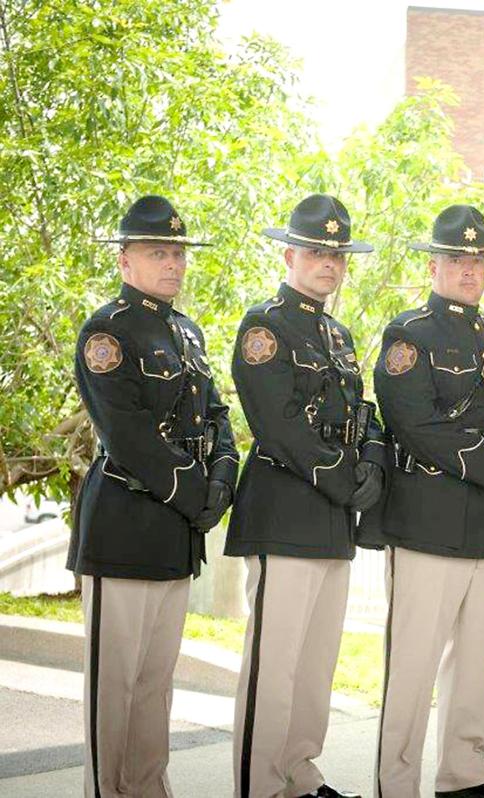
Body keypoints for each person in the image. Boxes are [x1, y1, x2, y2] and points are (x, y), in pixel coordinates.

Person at [363, 204, 484, 798]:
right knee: (412, 665)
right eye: (457, 259)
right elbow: (415, 422)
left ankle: (465, 774)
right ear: (434, 264)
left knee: (475, 660)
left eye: (478, 259)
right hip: (427, 520)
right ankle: (398, 783)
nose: (469, 269)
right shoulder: (409, 334)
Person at [72, 194, 238, 797]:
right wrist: (198, 495)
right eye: (157, 252)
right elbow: (130, 436)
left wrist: (224, 479)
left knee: (154, 683)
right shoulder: (106, 333)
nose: (172, 263)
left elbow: (215, 416)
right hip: (123, 525)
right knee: (112, 684)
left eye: (176, 252)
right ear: (124, 260)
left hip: (174, 531)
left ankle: (147, 788)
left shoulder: (186, 333)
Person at [225, 194, 384, 798]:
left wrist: (371, 457)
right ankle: (259, 786)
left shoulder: (337, 333)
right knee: (276, 667)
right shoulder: (265, 325)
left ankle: (300, 776)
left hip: (331, 520)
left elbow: (360, 411)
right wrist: (349, 478)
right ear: (289, 253)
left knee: (316, 667)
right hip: (284, 512)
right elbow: (278, 424)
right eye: (318, 250)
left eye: (338, 254)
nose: (329, 262)